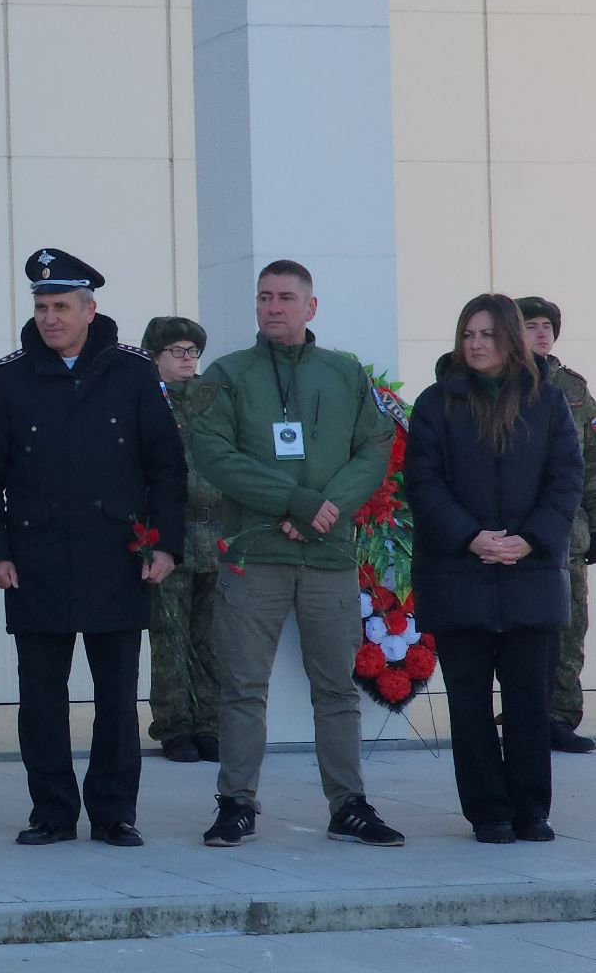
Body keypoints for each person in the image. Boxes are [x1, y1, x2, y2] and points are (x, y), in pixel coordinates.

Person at [0, 249, 186, 848]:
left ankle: (115, 813)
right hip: (34, 561)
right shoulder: (9, 378)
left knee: (116, 698)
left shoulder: (132, 372)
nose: (49, 318)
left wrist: (165, 546)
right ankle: (52, 812)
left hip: (117, 558)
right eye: (41, 307)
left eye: (61, 306)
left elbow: (166, 468)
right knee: (41, 699)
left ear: (90, 310)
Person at [186, 259, 403, 848]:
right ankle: (236, 803)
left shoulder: (344, 372)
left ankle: (348, 804)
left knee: (336, 689)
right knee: (242, 687)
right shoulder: (228, 375)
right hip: (255, 555)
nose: (273, 307)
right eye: (264, 297)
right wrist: (297, 502)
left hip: (327, 558)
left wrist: (325, 508)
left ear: (311, 306)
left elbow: (374, 446)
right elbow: (213, 454)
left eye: (285, 297)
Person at [404, 294, 583, 843]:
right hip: (458, 574)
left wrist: (530, 540)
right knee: (469, 703)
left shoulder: (548, 402)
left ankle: (531, 809)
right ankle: (488, 811)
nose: (476, 344)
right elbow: (424, 483)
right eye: (468, 334)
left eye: (486, 334)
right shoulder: (435, 403)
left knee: (530, 700)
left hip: (530, 575)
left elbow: (566, 480)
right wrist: (471, 537)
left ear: (510, 338)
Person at [141, 316, 224, 764]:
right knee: (170, 638)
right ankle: (175, 726)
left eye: (193, 351)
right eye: (178, 351)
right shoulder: (144, 400)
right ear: (154, 356)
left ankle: (210, 723)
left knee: (211, 637)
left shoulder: (213, 399)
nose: (188, 359)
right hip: (169, 536)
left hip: (216, 536)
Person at [517, 296, 596, 754]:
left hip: (568, 536)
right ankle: (523, 711)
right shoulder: (500, 384)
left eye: (547, 325)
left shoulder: (574, 389)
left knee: (569, 628)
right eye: (531, 325)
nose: (542, 333)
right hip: (514, 534)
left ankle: (560, 717)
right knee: (521, 629)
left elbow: (592, 465)